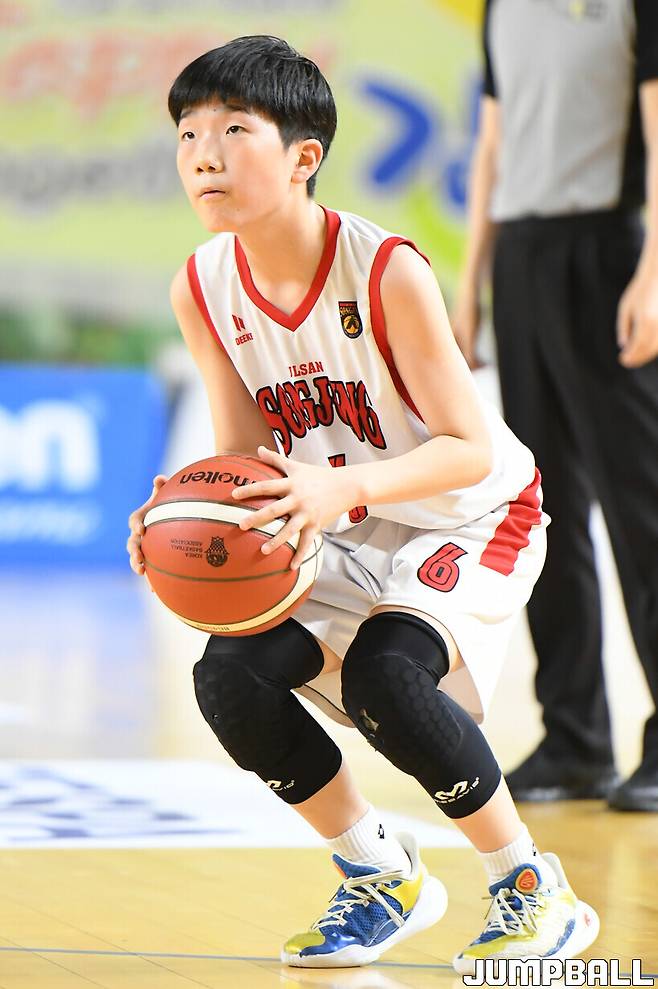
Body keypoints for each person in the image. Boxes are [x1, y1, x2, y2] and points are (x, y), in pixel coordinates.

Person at [127, 36, 599, 972]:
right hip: (338, 511)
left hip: (471, 509)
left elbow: (468, 444)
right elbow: (247, 458)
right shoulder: (203, 285)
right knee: (229, 676)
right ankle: (380, 872)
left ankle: (532, 887)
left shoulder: (385, 270)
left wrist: (343, 486)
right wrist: (186, 513)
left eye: (233, 131)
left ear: (304, 156)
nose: (204, 156)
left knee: (388, 672)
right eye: (187, 135)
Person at [452, 0, 658, 810]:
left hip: (609, 250)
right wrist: (470, 283)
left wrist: (653, 273)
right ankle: (575, 739)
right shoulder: (501, 6)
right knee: (543, 507)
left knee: (643, 506)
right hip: (522, 258)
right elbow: (492, 143)